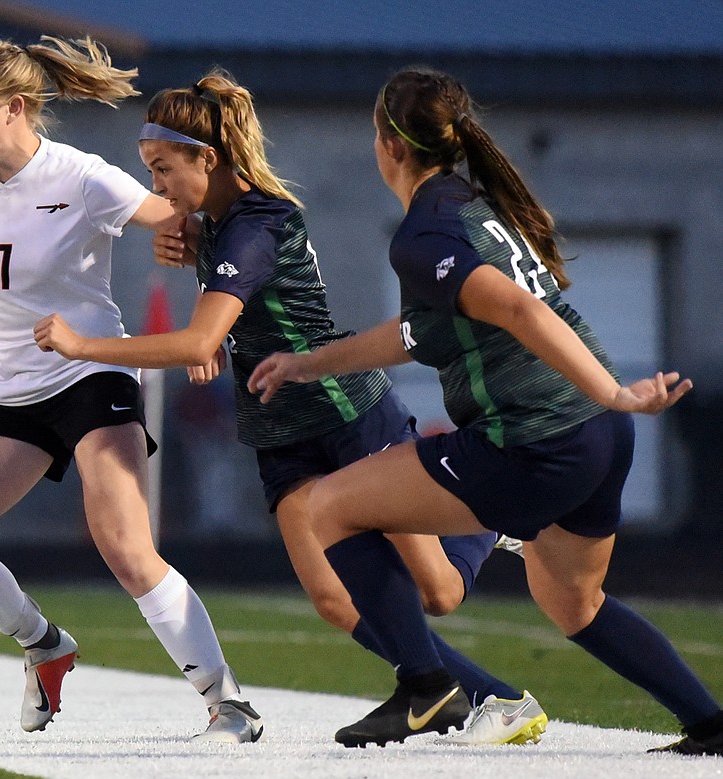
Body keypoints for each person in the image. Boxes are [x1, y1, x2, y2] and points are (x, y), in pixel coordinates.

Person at [33, 69, 546, 746]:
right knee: (335, 601)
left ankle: (492, 521)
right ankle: (479, 696)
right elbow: (219, 323)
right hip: (280, 432)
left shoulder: (255, 225)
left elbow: (202, 334)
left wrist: (83, 343)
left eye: (161, 170)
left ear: (206, 159)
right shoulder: (215, 223)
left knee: (440, 592)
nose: (157, 190)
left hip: (344, 416)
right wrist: (203, 316)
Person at [247, 65, 723, 753]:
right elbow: (419, 334)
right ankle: (711, 722)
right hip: (596, 435)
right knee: (574, 604)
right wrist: (310, 361)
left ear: (390, 145)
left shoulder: (424, 232)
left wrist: (615, 390)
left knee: (327, 507)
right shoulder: (474, 205)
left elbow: (520, 308)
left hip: (539, 437)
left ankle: (426, 684)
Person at [0, 36, 261, 744]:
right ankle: (44, 644)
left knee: (125, 542)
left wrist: (201, 307)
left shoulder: (84, 177)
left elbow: (192, 221)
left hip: (92, 372)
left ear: (14, 107)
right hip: (9, 391)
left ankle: (227, 700)